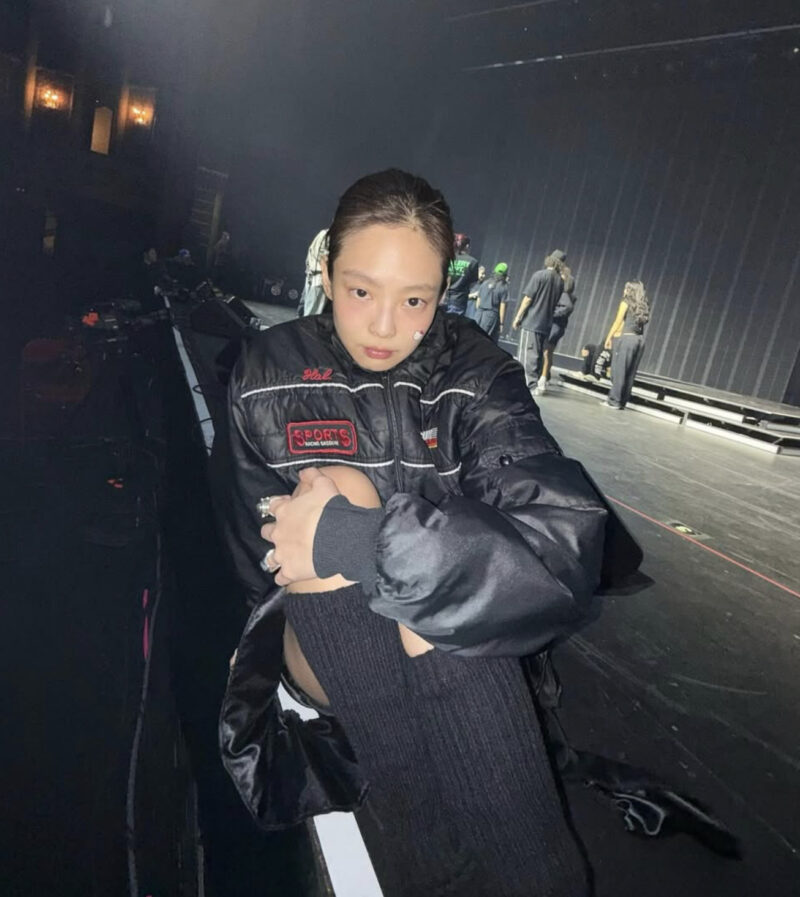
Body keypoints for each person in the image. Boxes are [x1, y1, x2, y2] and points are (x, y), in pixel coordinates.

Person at [214, 169, 634, 897]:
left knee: (432, 574)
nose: (385, 326)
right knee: (336, 490)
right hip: (322, 636)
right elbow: (256, 560)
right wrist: (354, 544)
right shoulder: (265, 370)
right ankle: (425, 860)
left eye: (415, 299)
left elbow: (562, 543)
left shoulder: (477, 373)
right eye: (361, 291)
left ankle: (541, 877)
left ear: (444, 291)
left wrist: (365, 542)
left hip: (448, 632)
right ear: (326, 273)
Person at [511, 252, 564, 395]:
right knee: (538, 354)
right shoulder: (560, 281)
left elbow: (528, 299)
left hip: (532, 321)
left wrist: (518, 317)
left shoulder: (539, 275)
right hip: (546, 324)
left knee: (526, 354)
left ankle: (529, 385)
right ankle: (533, 383)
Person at [601, 279, 650, 410]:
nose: (624, 291)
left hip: (627, 340)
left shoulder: (625, 302)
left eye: (626, 288)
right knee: (630, 373)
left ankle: (614, 401)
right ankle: (622, 402)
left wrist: (609, 337)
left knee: (619, 372)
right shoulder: (643, 305)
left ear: (630, 290)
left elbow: (617, 322)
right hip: (639, 341)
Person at [540, 266, 577, 388]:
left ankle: (543, 378)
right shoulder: (568, 292)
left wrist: (551, 313)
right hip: (559, 326)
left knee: (546, 352)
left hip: (555, 325)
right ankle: (545, 377)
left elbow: (567, 307)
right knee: (549, 352)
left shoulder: (564, 293)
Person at [442, 233, 479, 315]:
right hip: (459, 301)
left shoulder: (448, 258)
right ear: (467, 246)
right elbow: (473, 283)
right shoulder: (473, 262)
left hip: (443, 298)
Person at [473, 262, 508, 342]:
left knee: (474, 335)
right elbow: (502, 307)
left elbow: (478, 302)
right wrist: (501, 323)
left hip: (479, 313)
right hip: (491, 315)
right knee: (484, 339)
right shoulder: (503, 287)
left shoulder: (485, 283)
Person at [299, 228, 329, 316]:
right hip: (319, 280)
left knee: (305, 311)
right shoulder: (329, 236)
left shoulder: (323, 233)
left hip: (313, 277)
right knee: (312, 313)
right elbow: (324, 258)